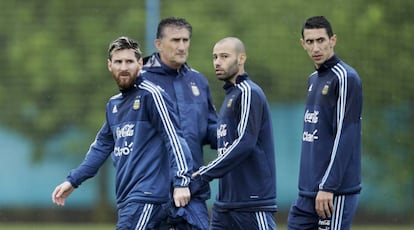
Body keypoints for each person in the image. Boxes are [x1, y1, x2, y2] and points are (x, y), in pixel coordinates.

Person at [51, 36, 193, 230]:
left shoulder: (152, 95)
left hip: (147, 196)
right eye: (118, 62)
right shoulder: (114, 105)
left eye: (129, 61)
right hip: (128, 198)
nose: (123, 67)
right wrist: (73, 180)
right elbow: (101, 147)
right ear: (110, 65)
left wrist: (181, 181)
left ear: (140, 64)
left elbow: (174, 138)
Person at [192, 37, 277, 230]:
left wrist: (205, 174)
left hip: (252, 203)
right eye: (214, 57)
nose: (217, 62)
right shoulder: (231, 96)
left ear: (241, 59)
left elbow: (245, 141)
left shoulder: (248, 92)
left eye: (224, 56)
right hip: (225, 205)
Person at [141, 17, 218, 230]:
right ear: (158, 44)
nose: (182, 46)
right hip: (151, 190)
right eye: (175, 40)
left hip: (191, 190)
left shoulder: (198, 81)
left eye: (185, 40)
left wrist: (234, 136)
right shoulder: (140, 80)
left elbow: (211, 128)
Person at [287, 16, 363, 230]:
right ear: (303, 44)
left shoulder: (346, 78)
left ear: (333, 40)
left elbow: (346, 134)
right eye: (310, 42)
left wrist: (328, 186)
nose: (316, 47)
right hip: (307, 193)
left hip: (334, 193)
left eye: (321, 40)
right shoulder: (313, 79)